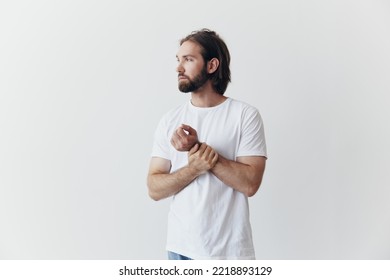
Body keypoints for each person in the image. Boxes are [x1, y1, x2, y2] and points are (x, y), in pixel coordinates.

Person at [147, 29, 267, 260]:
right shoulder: (169, 120)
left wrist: (197, 149)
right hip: (180, 250)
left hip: (230, 253)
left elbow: (250, 184)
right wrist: (193, 168)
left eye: (189, 59)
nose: (178, 68)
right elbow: (154, 188)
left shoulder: (244, 115)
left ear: (212, 66)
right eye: (178, 60)